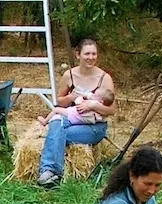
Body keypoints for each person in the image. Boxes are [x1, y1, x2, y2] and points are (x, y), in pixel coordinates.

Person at [37, 38, 118, 187]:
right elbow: (60, 102)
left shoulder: (104, 78)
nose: (91, 57)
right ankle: (48, 173)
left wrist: (92, 106)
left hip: (93, 126)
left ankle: (51, 172)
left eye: (94, 54)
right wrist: (71, 97)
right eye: (87, 54)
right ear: (78, 55)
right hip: (73, 116)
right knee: (56, 121)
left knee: (57, 133)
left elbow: (111, 110)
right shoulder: (69, 75)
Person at [39, 86, 112, 127]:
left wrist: (80, 97)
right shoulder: (100, 110)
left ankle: (45, 121)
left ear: (101, 101)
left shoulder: (93, 103)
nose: (92, 95)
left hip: (74, 115)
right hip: (82, 119)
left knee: (56, 110)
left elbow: (78, 103)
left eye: (95, 95)